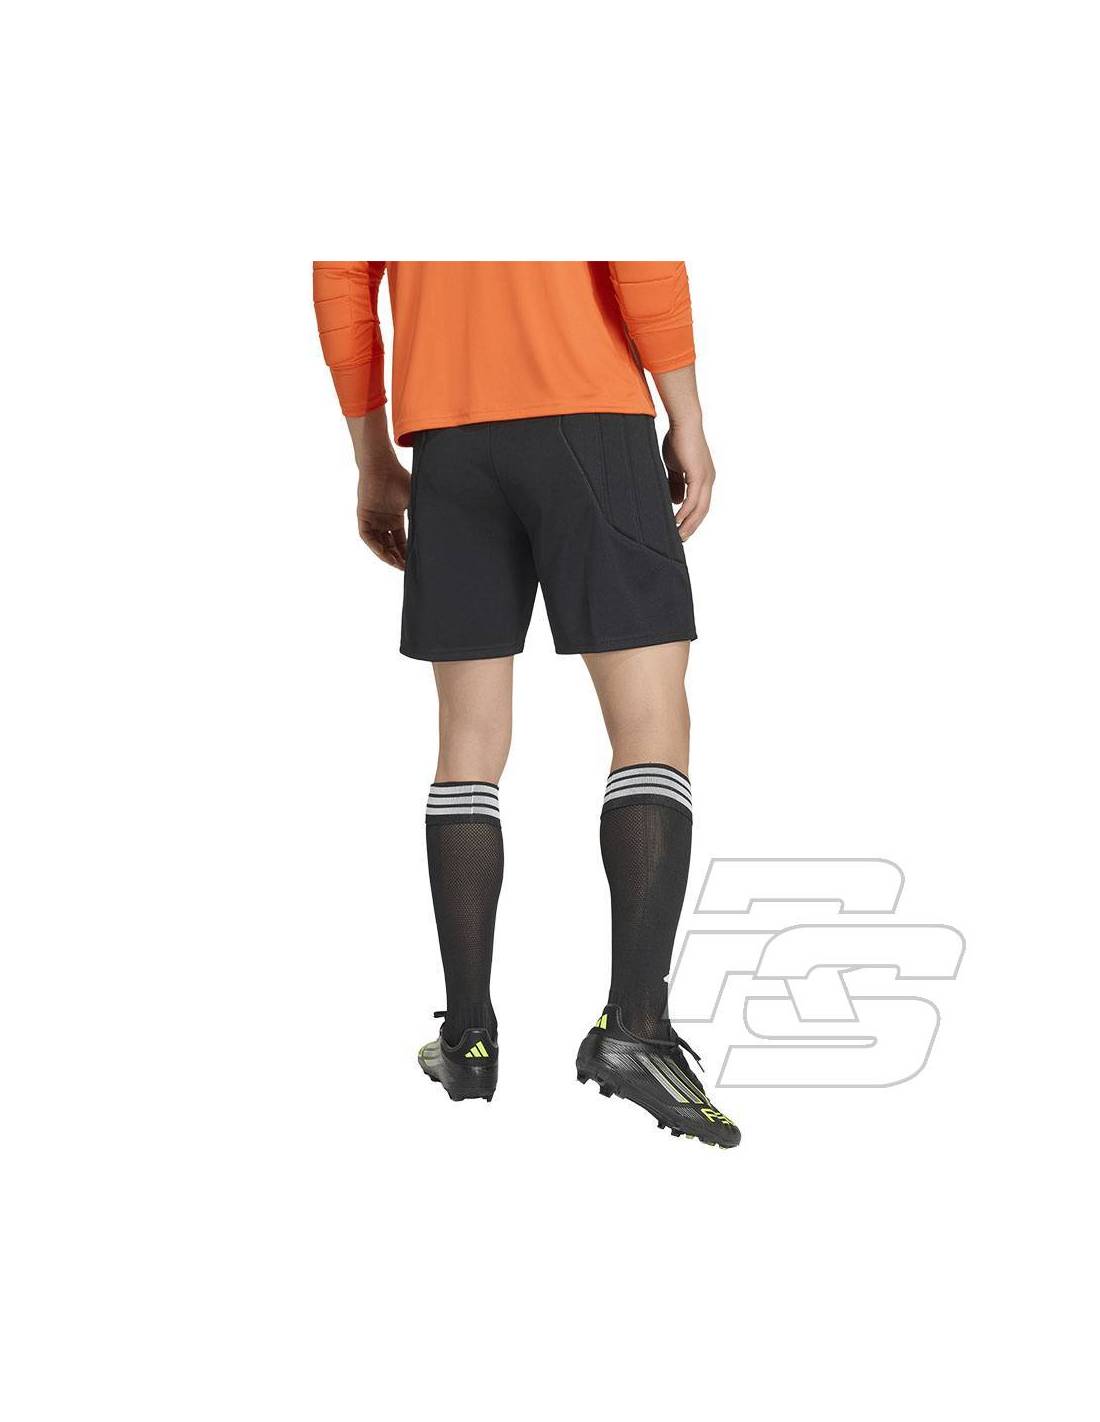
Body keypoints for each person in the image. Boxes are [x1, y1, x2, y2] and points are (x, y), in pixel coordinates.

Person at [312, 262, 740, 1148]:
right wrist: (688, 418)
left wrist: (371, 456)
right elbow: (642, 262)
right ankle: (635, 1028)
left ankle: (468, 1037)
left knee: (468, 739)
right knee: (650, 725)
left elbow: (341, 284)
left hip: (450, 442)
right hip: (590, 410)